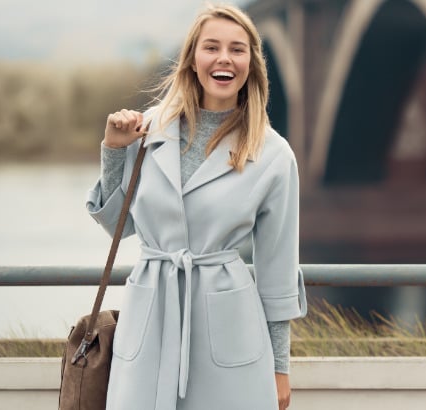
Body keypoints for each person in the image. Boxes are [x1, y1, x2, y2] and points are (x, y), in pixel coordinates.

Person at [85, 4, 306, 409]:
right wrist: (114, 151)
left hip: (229, 328)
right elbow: (116, 224)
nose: (224, 58)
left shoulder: (274, 155)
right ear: (192, 60)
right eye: (212, 47)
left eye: (237, 50)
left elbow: (277, 274)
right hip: (149, 318)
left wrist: (279, 367)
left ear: (251, 65)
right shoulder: (148, 129)